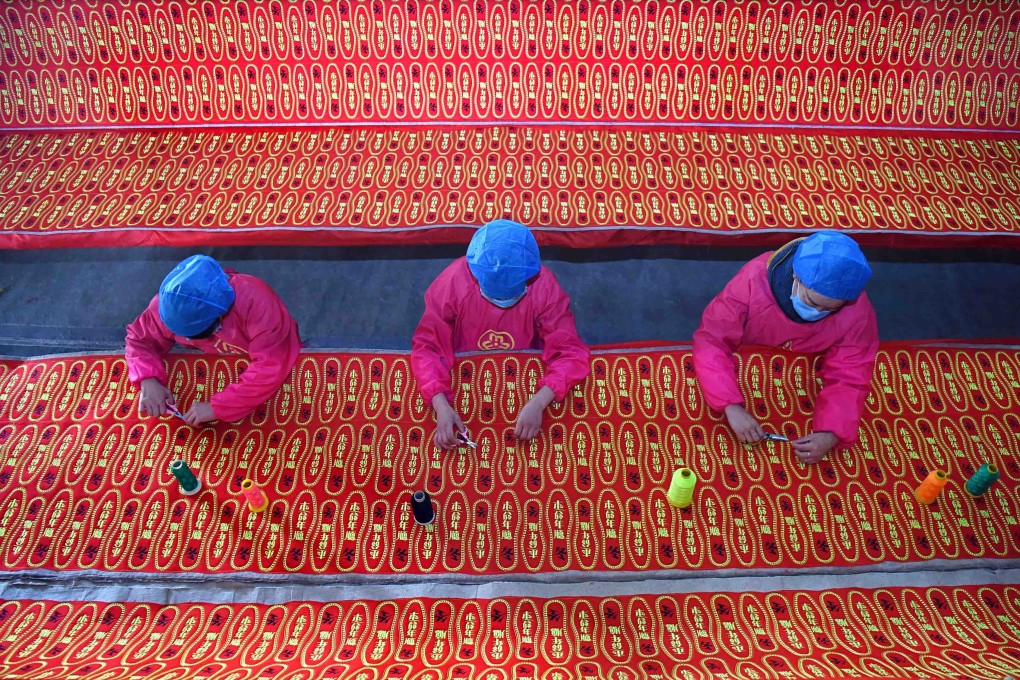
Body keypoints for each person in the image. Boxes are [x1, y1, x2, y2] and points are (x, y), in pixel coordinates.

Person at [693, 231, 878, 463]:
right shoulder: (753, 279)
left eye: (830, 309)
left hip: (796, 371)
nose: (818, 312)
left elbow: (851, 373)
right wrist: (729, 405)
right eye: (812, 302)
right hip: (747, 353)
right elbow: (712, 340)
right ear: (795, 277)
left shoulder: (856, 309)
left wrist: (832, 431)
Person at [411, 220, 590, 448]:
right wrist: (440, 404)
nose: (503, 301)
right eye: (495, 293)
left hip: (524, 361)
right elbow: (428, 346)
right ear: (475, 275)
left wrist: (539, 402)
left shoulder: (544, 288)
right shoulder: (453, 283)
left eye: (511, 292)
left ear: (529, 276)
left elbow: (570, 352)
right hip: (466, 357)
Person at [126, 254, 301, 426]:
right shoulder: (170, 304)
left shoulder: (257, 301)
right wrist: (148, 379)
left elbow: (271, 364)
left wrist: (218, 407)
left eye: (198, 333)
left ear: (221, 315)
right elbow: (139, 340)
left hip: (259, 380)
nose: (187, 339)